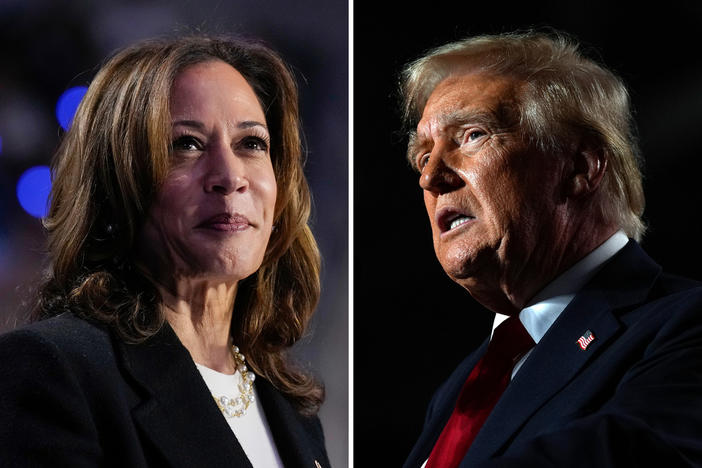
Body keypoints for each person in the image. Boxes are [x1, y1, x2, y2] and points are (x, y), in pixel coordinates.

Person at [0, 35, 330, 468]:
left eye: (251, 144)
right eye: (186, 144)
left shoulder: (295, 409)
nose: (230, 177)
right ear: (117, 183)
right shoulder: (52, 371)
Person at [400, 31, 702, 467]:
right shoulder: (459, 388)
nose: (430, 177)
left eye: (471, 135)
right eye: (423, 156)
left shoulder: (683, 324)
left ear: (580, 168)